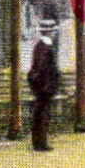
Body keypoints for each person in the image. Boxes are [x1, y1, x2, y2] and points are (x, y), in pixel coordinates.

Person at [26, 13, 61, 151]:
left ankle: (40, 142)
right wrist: (46, 86)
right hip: (44, 88)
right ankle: (40, 143)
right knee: (42, 115)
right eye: (53, 31)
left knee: (42, 114)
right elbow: (41, 69)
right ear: (49, 32)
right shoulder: (44, 47)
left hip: (43, 87)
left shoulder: (41, 46)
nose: (54, 33)